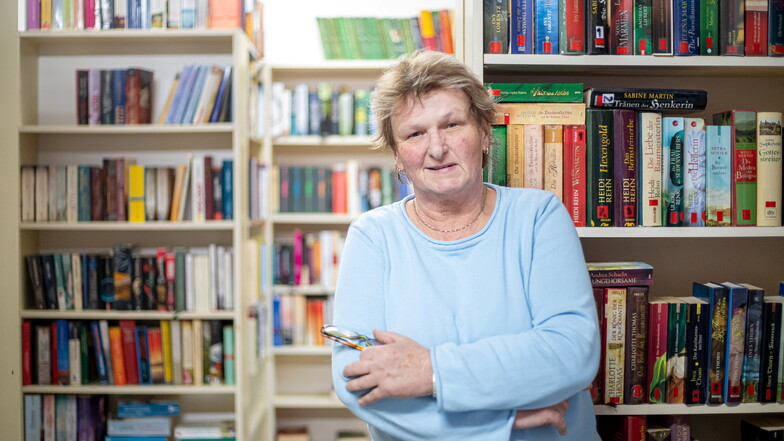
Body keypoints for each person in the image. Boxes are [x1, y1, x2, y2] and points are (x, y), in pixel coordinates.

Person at [330, 50, 600, 440]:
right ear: (397, 156)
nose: (436, 148)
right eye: (415, 133)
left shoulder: (539, 216)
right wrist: (499, 422)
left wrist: (429, 370)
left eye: (452, 124)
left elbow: (572, 353)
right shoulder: (373, 236)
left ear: (485, 131)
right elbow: (355, 381)